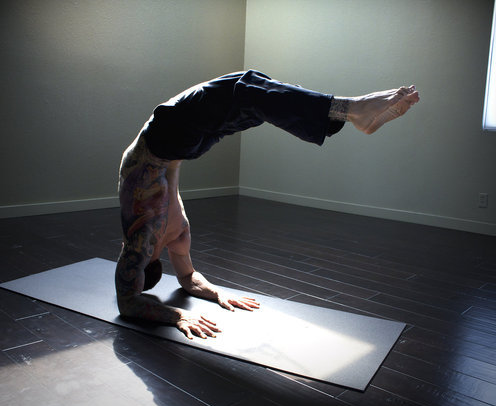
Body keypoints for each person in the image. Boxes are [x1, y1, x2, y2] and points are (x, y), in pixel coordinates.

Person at [115, 70, 419, 340]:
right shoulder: (160, 238)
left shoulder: (150, 239)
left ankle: (347, 112)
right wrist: (196, 306)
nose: (127, 252)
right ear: (147, 261)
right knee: (249, 91)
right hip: (171, 142)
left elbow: (166, 287)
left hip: (167, 140)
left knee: (253, 92)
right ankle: (348, 110)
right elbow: (183, 281)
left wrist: (191, 307)